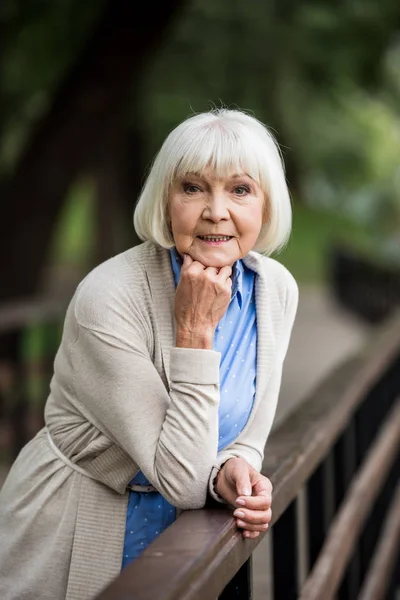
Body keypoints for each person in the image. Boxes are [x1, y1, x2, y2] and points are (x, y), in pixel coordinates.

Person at [0, 108, 298, 600]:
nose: (216, 211)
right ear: (166, 199)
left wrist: (234, 469)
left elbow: (247, 434)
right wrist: (194, 331)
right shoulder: (109, 296)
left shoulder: (275, 291)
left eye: (240, 189)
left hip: (188, 539)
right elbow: (181, 480)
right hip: (70, 529)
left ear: (267, 204)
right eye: (193, 187)